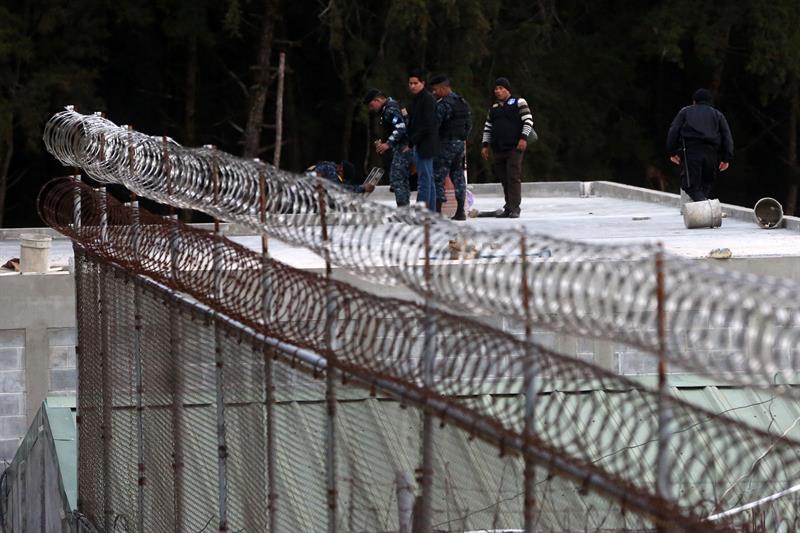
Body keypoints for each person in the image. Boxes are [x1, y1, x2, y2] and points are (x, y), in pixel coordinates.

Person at [480, 77, 534, 218]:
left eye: (501, 88)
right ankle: (508, 206)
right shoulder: (494, 108)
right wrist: (485, 145)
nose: (498, 91)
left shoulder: (518, 102)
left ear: (507, 89)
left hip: (514, 147)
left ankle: (515, 207)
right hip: (498, 148)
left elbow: (528, 121)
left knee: (513, 177)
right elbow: (488, 127)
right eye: (496, 88)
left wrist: (523, 138)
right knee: (504, 179)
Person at [666, 88, 734, 202]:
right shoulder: (718, 115)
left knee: (691, 186)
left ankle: (705, 209)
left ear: (694, 101)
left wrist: (672, 152)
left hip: (692, 152)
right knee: (706, 184)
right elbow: (727, 137)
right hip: (712, 154)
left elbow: (674, 131)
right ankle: (700, 212)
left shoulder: (686, 112)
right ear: (710, 102)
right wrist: (726, 158)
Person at [430, 74, 472, 220]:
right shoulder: (462, 102)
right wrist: (462, 138)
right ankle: (460, 211)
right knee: (458, 176)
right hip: (460, 144)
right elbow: (468, 124)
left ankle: (437, 212)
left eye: (435, 90)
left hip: (444, 144)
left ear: (443, 88)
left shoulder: (443, 105)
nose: (434, 93)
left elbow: (434, 126)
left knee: (438, 177)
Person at [364, 89, 412, 206]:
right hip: (405, 146)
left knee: (397, 179)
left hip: (402, 147)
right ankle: (405, 209)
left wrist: (388, 144)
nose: (372, 108)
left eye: (372, 105)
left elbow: (400, 127)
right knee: (401, 179)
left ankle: (403, 210)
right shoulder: (393, 106)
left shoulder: (389, 110)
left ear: (378, 100)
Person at [406, 69, 439, 211]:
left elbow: (427, 125)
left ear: (422, 83)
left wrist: (412, 141)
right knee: (428, 179)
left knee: (424, 180)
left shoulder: (427, 99)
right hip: (422, 143)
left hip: (425, 145)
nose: (412, 86)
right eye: (410, 83)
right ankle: (429, 212)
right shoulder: (418, 99)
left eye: (415, 83)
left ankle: (421, 212)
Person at [306, 160, 375, 194]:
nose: (339, 179)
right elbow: (339, 188)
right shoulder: (330, 169)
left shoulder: (328, 167)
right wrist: (361, 188)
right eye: (342, 177)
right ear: (341, 169)